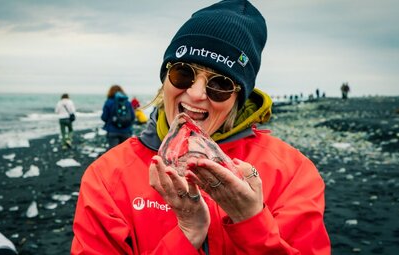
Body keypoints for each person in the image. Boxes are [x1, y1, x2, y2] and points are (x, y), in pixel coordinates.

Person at [72, 1, 330, 254]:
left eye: (219, 85)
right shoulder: (107, 177)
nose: (195, 94)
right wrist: (187, 233)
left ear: (238, 97)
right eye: (183, 74)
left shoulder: (292, 173)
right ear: (165, 78)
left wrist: (250, 221)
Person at [101, 85, 135, 151]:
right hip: (126, 132)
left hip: (112, 131)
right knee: (124, 152)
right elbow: (133, 117)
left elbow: (104, 117)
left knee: (113, 152)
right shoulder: (127, 103)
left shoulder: (108, 102)